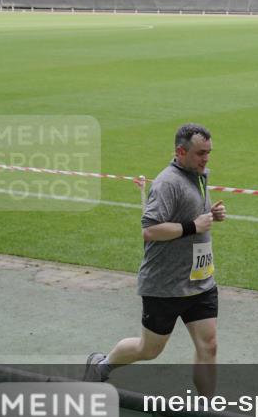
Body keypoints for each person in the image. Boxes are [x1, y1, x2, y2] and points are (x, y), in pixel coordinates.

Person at [84, 123, 226, 395]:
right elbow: (149, 231)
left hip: (200, 282)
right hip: (165, 285)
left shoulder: (200, 174)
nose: (206, 159)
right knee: (149, 349)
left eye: (208, 152)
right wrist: (193, 226)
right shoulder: (167, 183)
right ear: (180, 152)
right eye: (200, 153)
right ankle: (102, 367)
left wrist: (212, 214)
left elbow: (194, 215)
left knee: (209, 345)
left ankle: (208, 411)